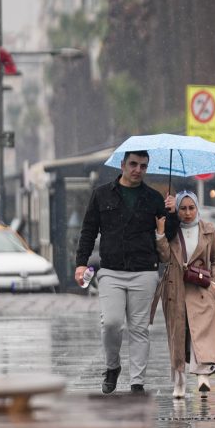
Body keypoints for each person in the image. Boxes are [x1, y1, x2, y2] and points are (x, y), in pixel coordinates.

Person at [75, 150, 178, 395]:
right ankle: (112, 367)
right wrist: (81, 263)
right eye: (133, 164)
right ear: (122, 165)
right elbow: (88, 230)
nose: (137, 170)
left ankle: (137, 382)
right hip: (111, 270)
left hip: (145, 270)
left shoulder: (154, 198)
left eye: (143, 166)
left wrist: (172, 212)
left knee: (139, 328)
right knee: (111, 323)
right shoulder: (101, 194)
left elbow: (169, 235)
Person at [152, 190, 215, 399]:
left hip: (201, 288)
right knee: (178, 335)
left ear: (197, 208)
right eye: (183, 208)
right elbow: (164, 257)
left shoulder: (208, 230)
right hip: (175, 288)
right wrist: (161, 234)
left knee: (200, 331)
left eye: (191, 208)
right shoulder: (172, 229)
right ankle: (179, 381)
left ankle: (203, 374)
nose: (187, 213)